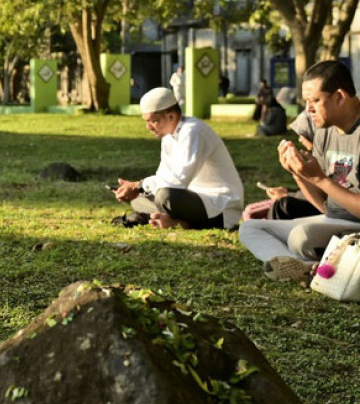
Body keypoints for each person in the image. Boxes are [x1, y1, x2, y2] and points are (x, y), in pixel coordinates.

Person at [238, 60, 360, 281]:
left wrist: (320, 179)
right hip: (335, 223)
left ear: (339, 97)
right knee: (251, 228)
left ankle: (315, 267)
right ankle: (304, 268)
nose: (308, 109)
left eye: (315, 101)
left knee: (301, 237)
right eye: (306, 102)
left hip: (356, 226)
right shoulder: (325, 129)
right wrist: (298, 173)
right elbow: (325, 206)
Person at [111, 87, 244, 229]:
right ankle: (168, 219)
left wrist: (139, 185)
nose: (148, 127)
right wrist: (138, 190)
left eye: (153, 121)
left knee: (164, 196)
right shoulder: (168, 137)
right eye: (146, 121)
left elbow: (177, 182)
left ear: (171, 116)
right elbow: (164, 176)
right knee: (138, 200)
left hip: (219, 206)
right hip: (191, 199)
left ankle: (177, 222)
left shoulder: (193, 131)